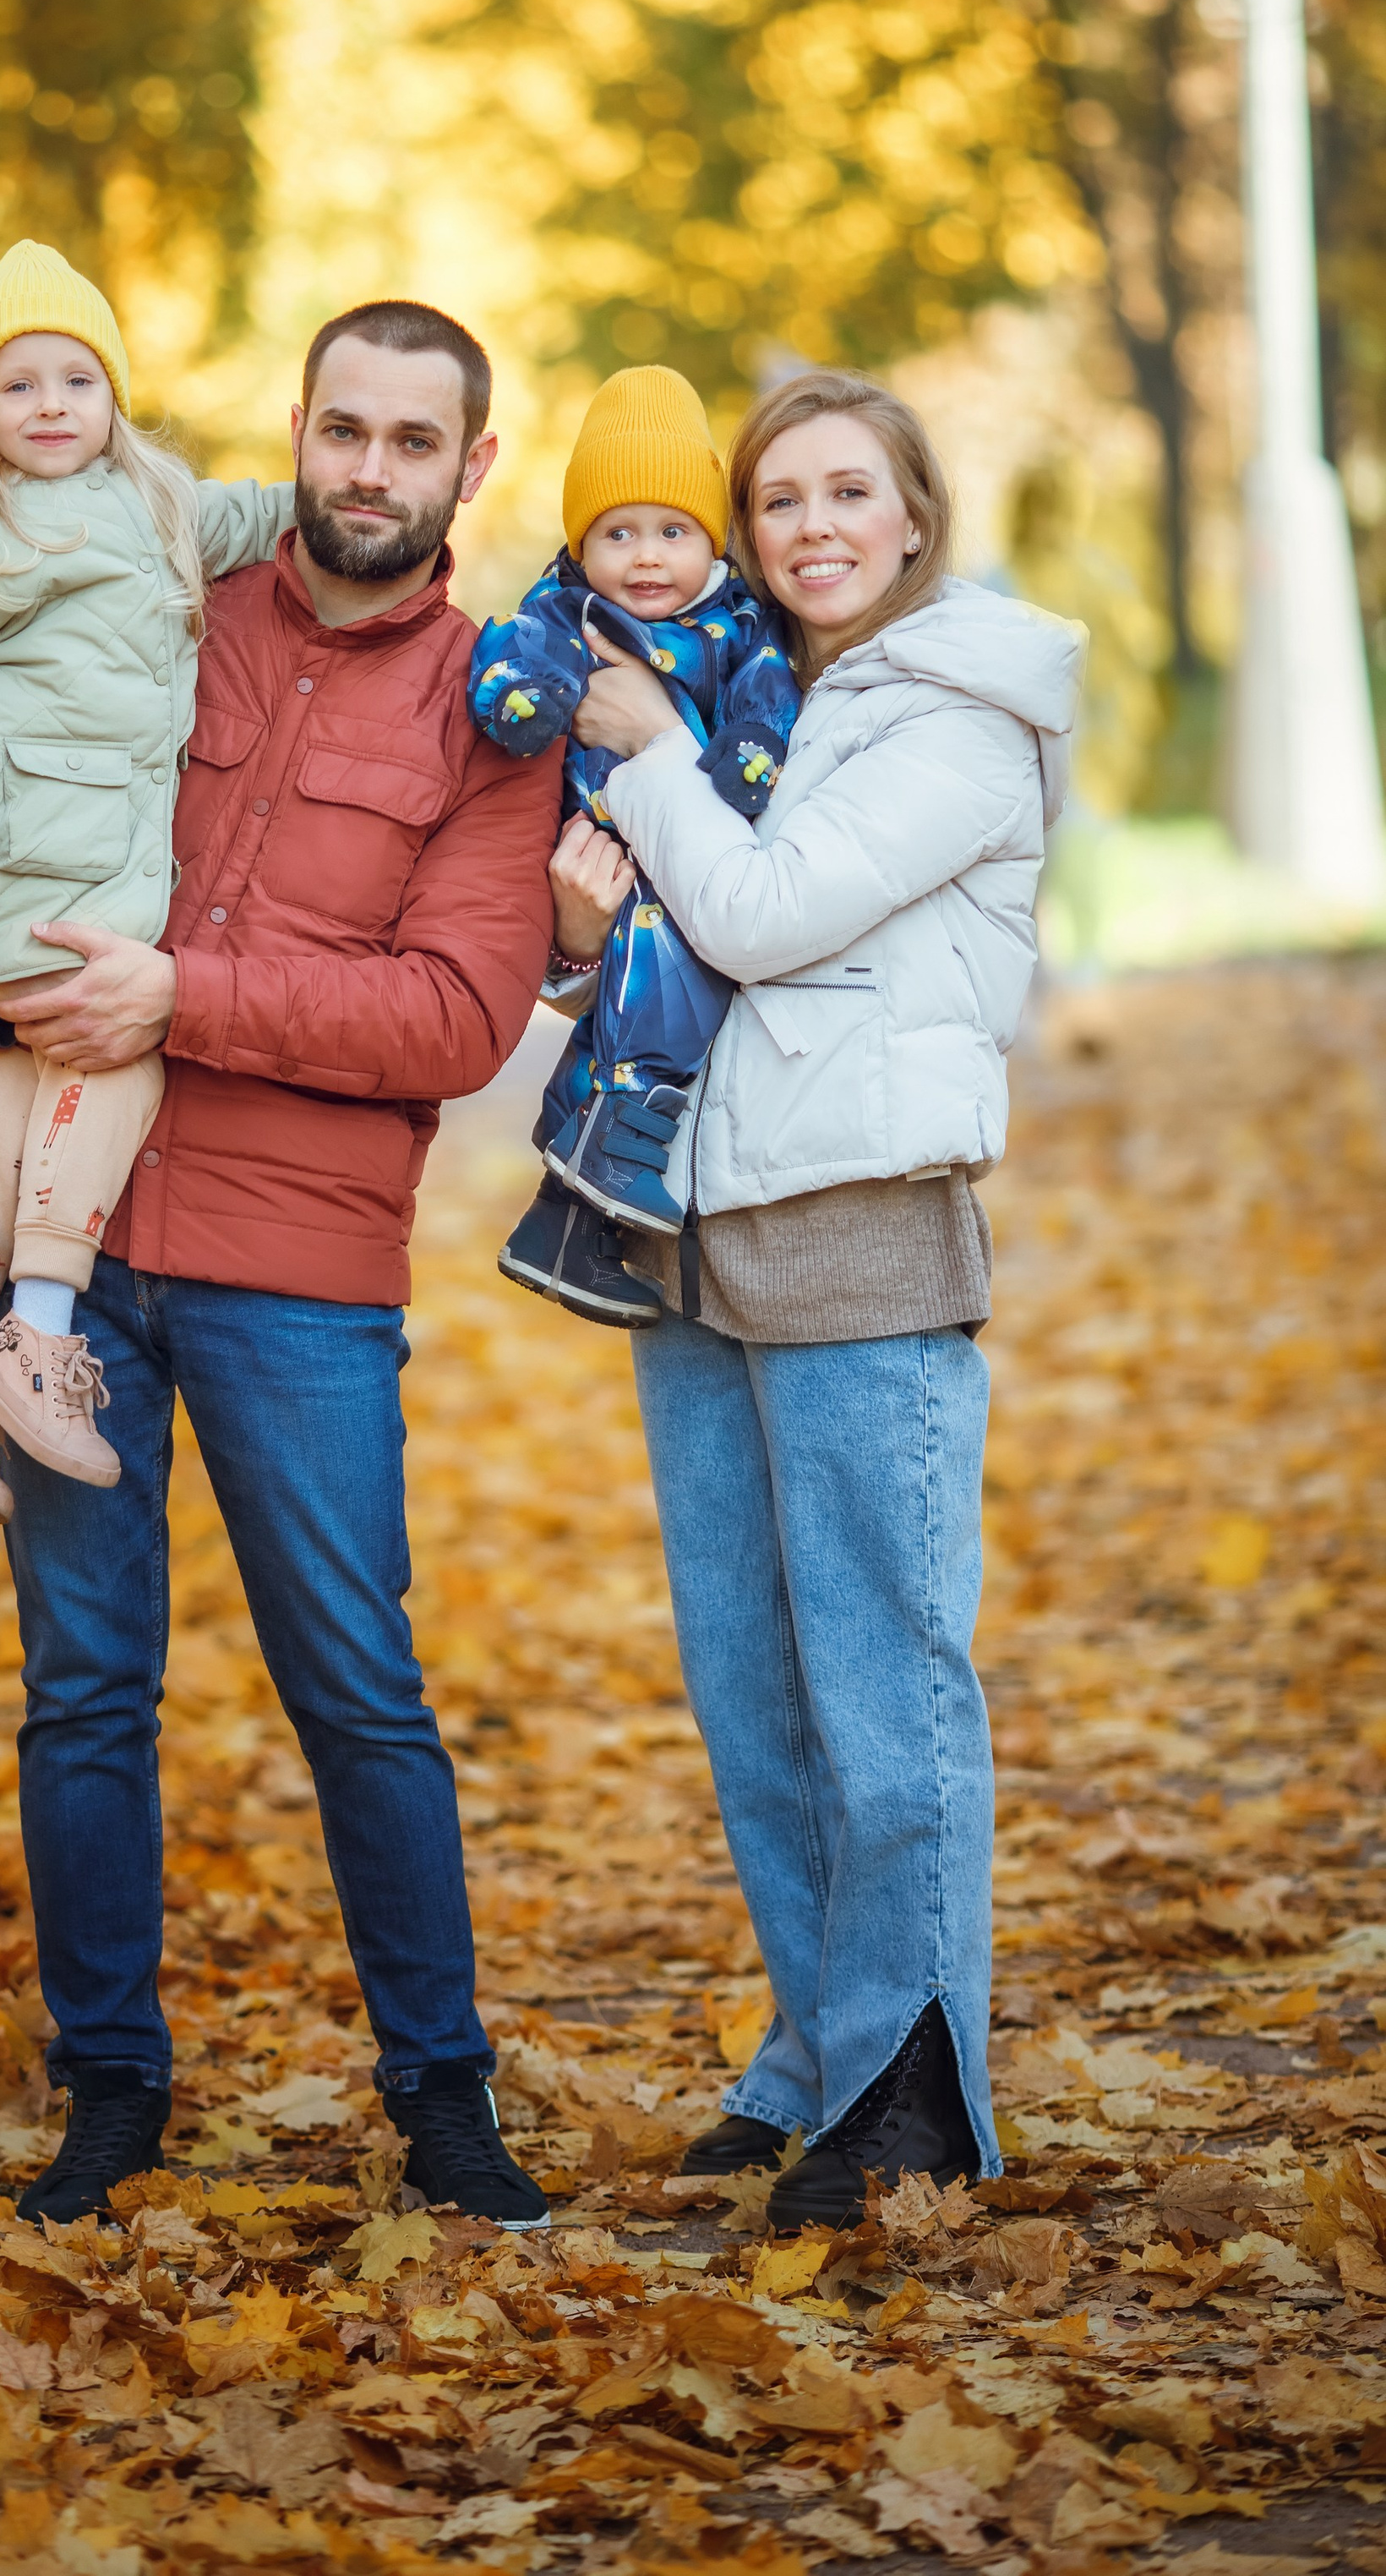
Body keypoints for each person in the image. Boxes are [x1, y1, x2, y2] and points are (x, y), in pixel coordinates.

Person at [0, 299, 565, 2229]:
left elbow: (451, 1012)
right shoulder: (152, 597)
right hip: (67, 1252)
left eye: (408, 441)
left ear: (468, 469)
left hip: (299, 1276)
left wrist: (180, 994)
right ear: (295, 429)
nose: (367, 468)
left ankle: (441, 2097)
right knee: (82, 1685)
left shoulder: (488, 711)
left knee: (357, 1683)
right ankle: (108, 2090)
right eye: (340, 427)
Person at [557, 366, 1083, 2229]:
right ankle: (816, 2054)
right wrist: (574, 917)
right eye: (775, 500)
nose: (809, 529)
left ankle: (917, 2087)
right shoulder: (760, 701)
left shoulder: (955, 713)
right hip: (691, 1234)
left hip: (859, 1224)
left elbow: (763, 916)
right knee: (754, 1690)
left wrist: (642, 757)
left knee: (879, 1681)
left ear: (913, 514)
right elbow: (664, 956)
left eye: (845, 491)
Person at [0, 241, 291, 1505]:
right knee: (114, 1047)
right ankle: (37, 1330)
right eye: (18, 385)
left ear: (115, 398)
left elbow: (262, 514)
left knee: (18, 1071)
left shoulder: (158, 507)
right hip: (21, 857)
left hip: (80, 855)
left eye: (76, 380)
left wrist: (340, 494)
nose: (50, 407)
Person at [467, 365, 797, 1328]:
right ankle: (607, 1153)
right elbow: (506, 656)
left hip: (691, 850)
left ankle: (566, 1220)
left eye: (673, 532)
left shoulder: (741, 624)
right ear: (581, 543)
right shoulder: (567, 611)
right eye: (617, 533)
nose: (646, 558)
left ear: (712, 540)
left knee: (647, 1005)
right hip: (603, 852)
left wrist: (746, 759)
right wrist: (517, 699)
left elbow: (766, 700)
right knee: (650, 996)